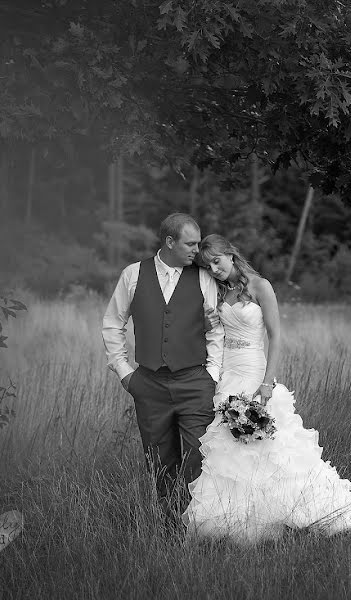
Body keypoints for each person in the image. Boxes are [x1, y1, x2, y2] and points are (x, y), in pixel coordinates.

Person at [181, 234, 351, 543]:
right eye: (208, 266)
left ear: (231, 255)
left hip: (254, 371)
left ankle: (288, 510)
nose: (214, 269)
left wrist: (266, 384)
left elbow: (275, 336)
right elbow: (216, 337)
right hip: (229, 375)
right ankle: (237, 517)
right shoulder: (219, 293)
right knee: (231, 447)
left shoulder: (260, 286)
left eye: (217, 261)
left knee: (270, 447)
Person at [102, 213, 224, 522]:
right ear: (169, 242)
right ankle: (171, 532)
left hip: (195, 382)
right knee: (160, 463)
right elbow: (112, 325)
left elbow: (217, 330)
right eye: (190, 244)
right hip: (149, 384)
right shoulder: (133, 274)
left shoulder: (202, 277)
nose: (197, 250)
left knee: (200, 457)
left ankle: (200, 528)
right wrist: (124, 371)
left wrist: (210, 375)